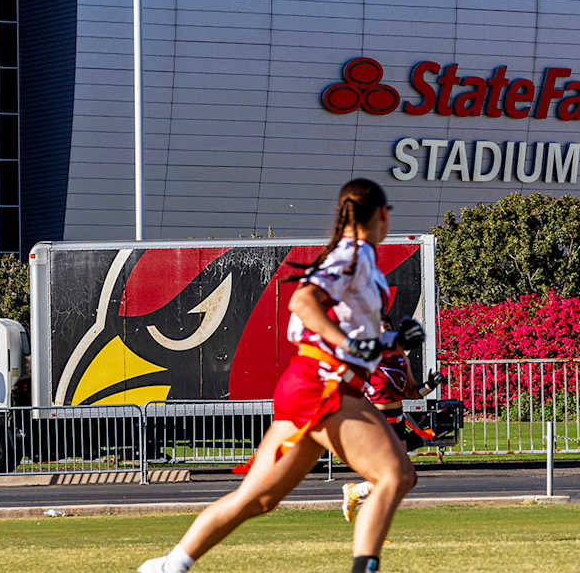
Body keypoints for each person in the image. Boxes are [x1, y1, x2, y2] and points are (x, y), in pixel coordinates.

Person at [139, 178, 415, 573]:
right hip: (324, 384)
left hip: (309, 386)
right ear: (382, 214)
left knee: (259, 499)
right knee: (395, 474)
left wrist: (393, 339)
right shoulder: (352, 255)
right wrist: (352, 346)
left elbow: (354, 331)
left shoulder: (360, 259)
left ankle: (169, 566)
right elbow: (304, 302)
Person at [341, 317, 446, 522]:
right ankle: (367, 514)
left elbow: (412, 392)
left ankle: (358, 495)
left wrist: (430, 386)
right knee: (391, 475)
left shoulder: (400, 358)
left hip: (396, 419)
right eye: (381, 328)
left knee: (402, 477)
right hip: (375, 419)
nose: (386, 331)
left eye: (389, 327)